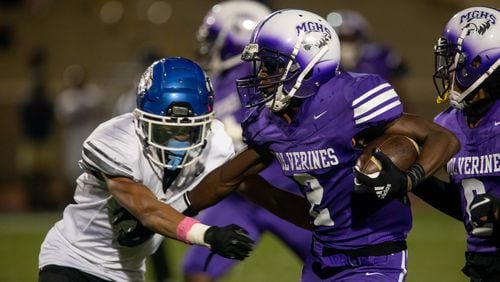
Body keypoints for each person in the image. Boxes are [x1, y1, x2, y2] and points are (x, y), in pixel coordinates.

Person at [173, 9, 460, 281]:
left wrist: (410, 179)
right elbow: (228, 177)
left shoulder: (349, 99)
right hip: (321, 257)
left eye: (271, 66)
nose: (261, 78)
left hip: (373, 257)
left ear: (308, 63)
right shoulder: (272, 121)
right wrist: (170, 211)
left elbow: (442, 137)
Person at [38, 57, 254, 282]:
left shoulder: (215, 143)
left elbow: (232, 182)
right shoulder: (116, 139)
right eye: (165, 130)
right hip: (72, 259)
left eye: (188, 131)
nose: (176, 140)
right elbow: (148, 210)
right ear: (140, 120)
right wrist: (207, 234)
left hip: (127, 273)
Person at [182, 2, 311, 282]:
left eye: (214, 38)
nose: (208, 46)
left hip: (291, 189)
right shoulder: (216, 83)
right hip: (241, 193)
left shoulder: (264, 73)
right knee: (197, 273)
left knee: (339, 267)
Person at [411, 6, 500, 282]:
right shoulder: (447, 124)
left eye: (454, 59)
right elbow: (467, 208)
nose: (447, 68)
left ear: (479, 62)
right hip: (482, 263)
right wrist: (414, 178)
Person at [326, 9, 411, 110]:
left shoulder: (379, 56)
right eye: (340, 38)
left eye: (350, 38)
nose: (346, 44)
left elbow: (399, 92)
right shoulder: (324, 62)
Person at [55, 64, 106, 203]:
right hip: (73, 140)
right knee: (72, 172)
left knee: (93, 171)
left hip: (91, 138)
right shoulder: (66, 97)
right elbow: (63, 119)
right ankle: (71, 202)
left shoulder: (93, 93)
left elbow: (101, 110)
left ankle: (93, 201)